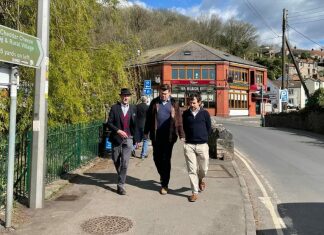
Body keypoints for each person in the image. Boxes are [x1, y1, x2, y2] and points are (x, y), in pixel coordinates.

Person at [144, 84, 185, 195]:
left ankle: (164, 184)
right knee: (156, 158)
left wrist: (181, 135)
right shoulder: (154, 102)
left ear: (169, 93)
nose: (163, 95)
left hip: (169, 137)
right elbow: (149, 119)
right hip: (156, 136)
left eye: (165, 93)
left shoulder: (174, 104)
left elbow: (179, 120)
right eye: (162, 93)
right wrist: (145, 133)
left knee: (166, 160)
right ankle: (163, 175)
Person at [107, 88, 139, 195]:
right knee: (116, 159)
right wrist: (118, 130)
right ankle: (121, 175)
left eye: (127, 96)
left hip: (129, 138)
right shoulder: (115, 108)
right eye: (124, 95)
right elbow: (109, 123)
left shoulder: (133, 108)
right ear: (121, 97)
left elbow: (136, 125)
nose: (125, 97)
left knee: (125, 163)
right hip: (116, 138)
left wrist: (137, 140)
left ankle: (121, 185)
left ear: (130, 97)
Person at [182, 93, 211, 202]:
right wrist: (183, 137)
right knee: (192, 170)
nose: (192, 105)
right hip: (189, 145)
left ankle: (201, 179)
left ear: (199, 103)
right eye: (190, 103)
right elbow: (183, 127)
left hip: (202, 145)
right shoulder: (185, 114)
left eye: (194, 103)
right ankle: (194, 192)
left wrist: (204, 137)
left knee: (204, 169)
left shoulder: (205, 114)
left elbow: (209, 128)